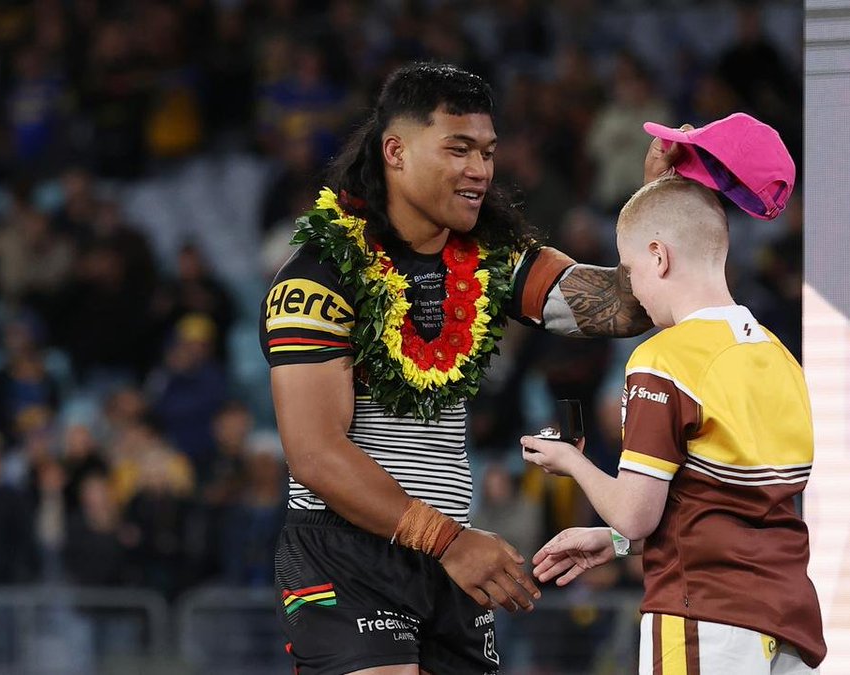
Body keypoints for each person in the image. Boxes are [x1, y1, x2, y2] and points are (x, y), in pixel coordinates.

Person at [261, 62, 676, 674]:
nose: (479, 170)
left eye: (487, 151)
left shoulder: (493, 258)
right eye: (458, 150)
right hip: (349, 550)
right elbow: (315, 454)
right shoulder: (317, 278)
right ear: (395, 151)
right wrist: (448, 541)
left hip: (450, 551)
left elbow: (623, 305)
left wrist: (657, 205)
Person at [519, 163, 826, 670]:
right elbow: (733, 505)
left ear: (658, 257)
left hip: (702, 616)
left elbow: (636, 512)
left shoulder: (663, 359)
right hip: (789, 621)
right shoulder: (779, 355)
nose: (632, 291)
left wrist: (571, 464)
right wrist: (614, 543)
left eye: (629, 271)